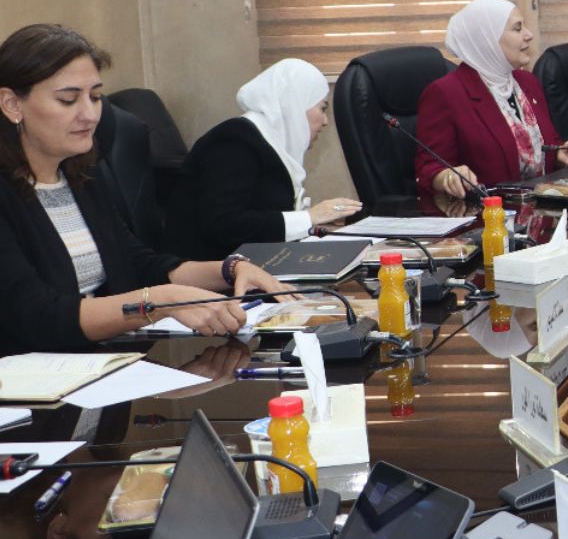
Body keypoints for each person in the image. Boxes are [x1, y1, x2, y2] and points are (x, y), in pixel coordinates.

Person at [0, 24, 290, 354]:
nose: (90, 115)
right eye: (68, 100)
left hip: (100, 362)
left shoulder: (81, 177)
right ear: (12, 104)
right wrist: (158, 301)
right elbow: (39, 316)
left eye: (95, 97)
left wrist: (230, 269)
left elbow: (139, 265)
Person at [166, 58, 361, 260]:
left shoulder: (269, 142)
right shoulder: (234, 142)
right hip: (214, 271)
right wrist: (308, 218)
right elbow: (223, 225)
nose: (326, 121)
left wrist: (315, 221)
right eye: (322, 108)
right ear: (295, 104)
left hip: (255, 262)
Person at [414, 0, 568, 198]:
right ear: (488, 39)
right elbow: (428, 168)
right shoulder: (445, 93)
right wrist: (446, 176)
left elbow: (544, 144)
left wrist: (560, 154)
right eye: (517, 28)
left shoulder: (528, 82)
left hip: (541, 209)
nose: (528, 35)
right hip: (487, 212)